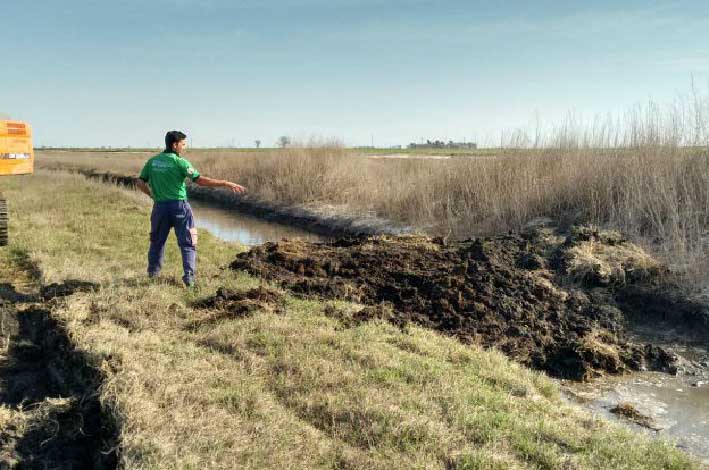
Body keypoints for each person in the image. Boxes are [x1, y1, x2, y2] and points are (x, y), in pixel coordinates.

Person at [136, 131, 246, 286]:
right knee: (188, 243)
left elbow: (139, 182)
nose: (184, 147)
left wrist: (152, 195)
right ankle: (189, 279)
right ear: (175, 145)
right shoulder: (181, 162)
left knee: (157, 242)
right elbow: (200, 181)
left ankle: (153, 276)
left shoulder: (152, 162)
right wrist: (226, 183)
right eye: (183, 144)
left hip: (160, 208)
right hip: (180, 208)